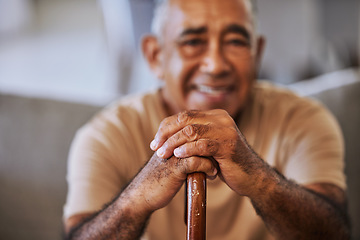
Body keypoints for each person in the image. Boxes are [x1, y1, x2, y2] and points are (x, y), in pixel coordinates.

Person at [63, 0, 350, 239]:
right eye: (193, 41)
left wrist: (259, 180)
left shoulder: (304, 119)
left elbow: (336, 234)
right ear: (155, 55)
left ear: (257, 53)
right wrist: (138, 197)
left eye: (236, 41)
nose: (215, 65)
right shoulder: (106, 133)